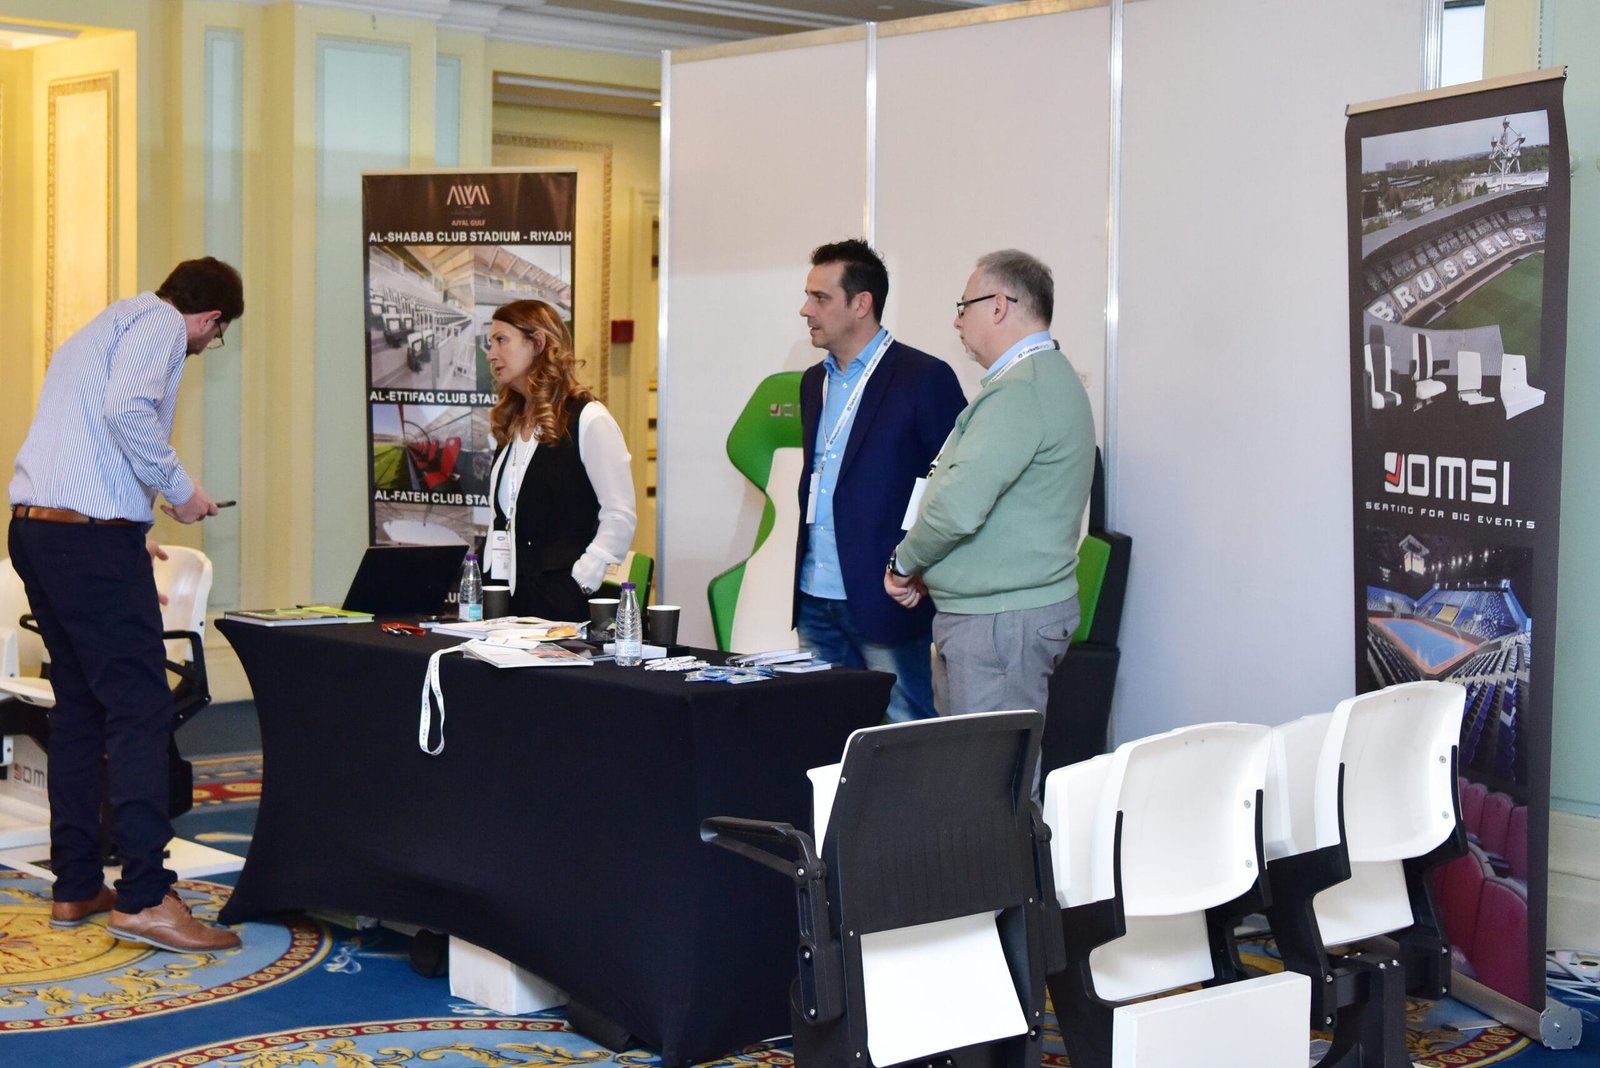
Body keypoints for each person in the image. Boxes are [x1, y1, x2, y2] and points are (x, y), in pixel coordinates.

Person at [8, 256, 244, 952]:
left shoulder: (102, 325)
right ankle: (145, 897)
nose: (207, 346)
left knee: (80, 709)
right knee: (140, 710)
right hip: (86, 542)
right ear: (210, 319)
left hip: (40, 531)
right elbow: (126, 412)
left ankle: (78, 883)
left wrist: (122, 527)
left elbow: (84, 438)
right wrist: (180, 491)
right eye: (217, 336)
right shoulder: (162, 326)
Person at [884, 249, 1095, 728]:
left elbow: (956, 508)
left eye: (964, 307)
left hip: (999, 625)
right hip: (1001, 618)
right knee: (983, 765)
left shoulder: (1021, 391)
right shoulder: (1040, 377)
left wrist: (904, 563)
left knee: (987, 770)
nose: (957, 321)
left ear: (998, 306)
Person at [795, 239, 966, 722]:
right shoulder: (813, 382)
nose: (806, 310)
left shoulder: (923, 378)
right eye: (808, 296)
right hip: (814, 594)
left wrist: (922, 569)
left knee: (903, 732)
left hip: (886, 593)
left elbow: (952, 485)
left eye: (820, 297)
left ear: (861, 303)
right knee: (821, 730)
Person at [482, 299, 636, 621]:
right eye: (490, 343)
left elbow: (619, 513)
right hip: (510, 609)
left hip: (565, 611)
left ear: (538, 342)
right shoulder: (511, 421)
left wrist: (584, 577)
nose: (491, 354)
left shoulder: (588, 418)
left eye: (501, 340)